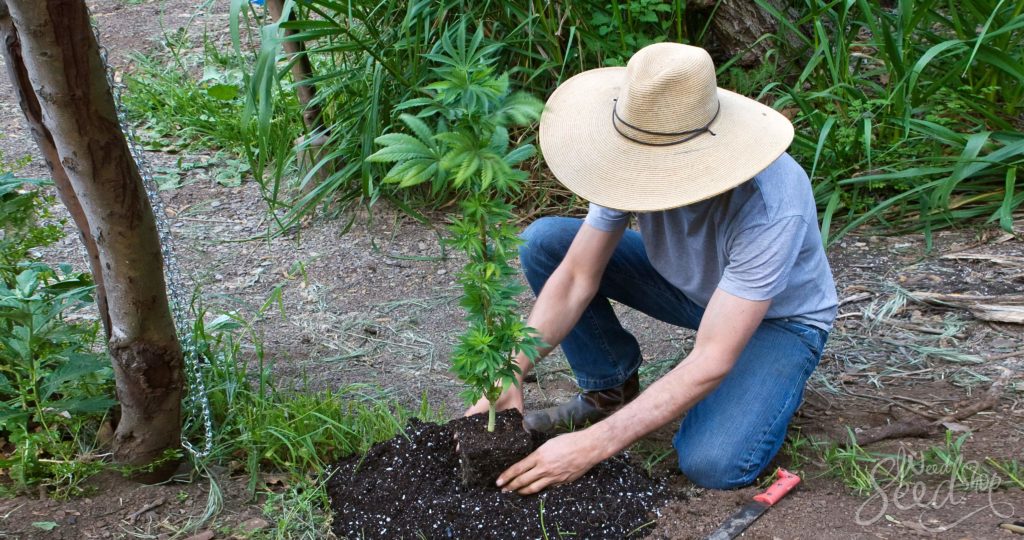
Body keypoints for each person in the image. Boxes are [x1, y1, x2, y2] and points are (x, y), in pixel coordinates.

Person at [464, 42, 838, 495]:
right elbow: (577, 277)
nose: (641, 173)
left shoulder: (771, 204)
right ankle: (609, 388)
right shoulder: (638, 142)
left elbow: (712, 356)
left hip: (778, 318)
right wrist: (511, 368)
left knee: (713, 463)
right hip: (692, 289)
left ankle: (769, 385)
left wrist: (592, 445)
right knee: (547, 244)